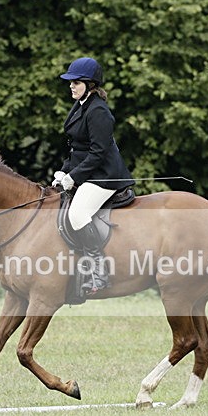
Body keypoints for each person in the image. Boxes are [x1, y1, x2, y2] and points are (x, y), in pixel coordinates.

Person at [52, 57, 134, 295]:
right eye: (71, 82)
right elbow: (78, 148)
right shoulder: (81, 105)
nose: (71, 86)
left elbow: (98, 153)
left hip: (104, 176)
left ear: (90, 84)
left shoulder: (98, 111)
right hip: (87, 172)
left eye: (76, 82)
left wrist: (74, 177)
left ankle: (99, 271)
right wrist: (64, 171)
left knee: (77, 213)